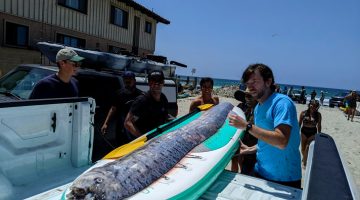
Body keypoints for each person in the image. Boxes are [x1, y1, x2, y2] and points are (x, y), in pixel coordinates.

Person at [228, 63, 301, 189]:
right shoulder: (258, 108)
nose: (250, 87)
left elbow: (282, 141)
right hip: (261, 172)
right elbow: (267, 139)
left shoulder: (281, 103)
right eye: (248, 83)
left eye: (255, 82)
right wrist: (251, 149)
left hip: (284, 178)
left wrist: (247, 126)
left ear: (268, 82)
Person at [124, 70, 175, 137]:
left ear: (163, 83)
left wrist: (177, 121)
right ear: (149, 82)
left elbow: (165, 115)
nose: (156, 83)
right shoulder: (142, 100)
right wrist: (143, 138)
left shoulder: (163, 98)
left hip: (158, 137)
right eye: (153, 81)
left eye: (159, 80)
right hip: (145, 140)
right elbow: (127, 123)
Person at [101, 71, 143, 146]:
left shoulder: (141, 95)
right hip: (121, 129)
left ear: (134, 80)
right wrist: (105, 123)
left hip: (136, 128)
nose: (128, 80)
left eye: (130, 78)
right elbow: (113, 109)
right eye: (126, 78)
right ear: (123, 80)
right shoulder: (119, 93)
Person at [231, 87, 258, 175]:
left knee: (245, 167)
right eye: (247, 95)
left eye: (251, 95)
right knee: (236, 160)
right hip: (241, 141)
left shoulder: (259, 111)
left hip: (252, 149)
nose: (248, 98)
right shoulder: (241, 107)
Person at [298, 99, 322, 168]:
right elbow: (299, 123)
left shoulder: (318, 115)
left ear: (316, 107)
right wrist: (297, 132)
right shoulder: (303, 113)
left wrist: (319, 134)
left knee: (307, 147)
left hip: (312, 132)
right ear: (309, 105)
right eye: (311, 104)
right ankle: (305, 157)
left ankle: (304, 163)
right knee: (302, 149)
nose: (313, 106)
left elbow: (319, 125)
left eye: (315, 105)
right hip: (304, 131)